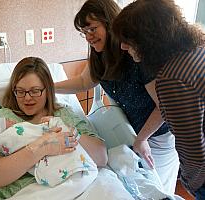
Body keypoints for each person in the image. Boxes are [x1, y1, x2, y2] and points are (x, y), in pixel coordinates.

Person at [55, 0, 179, 194]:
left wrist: (141, 139)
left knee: (159, 190)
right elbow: (82, 83)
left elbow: (164, 105)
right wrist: (48, 87)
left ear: (110, 23)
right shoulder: (99, 55)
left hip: (158, 135)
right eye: (84, 32)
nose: (88, 36)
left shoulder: (136, 54)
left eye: (92, 29)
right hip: (133, 131)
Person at [0, 57, 107, 199]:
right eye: (20, 91)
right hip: (28, 193)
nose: (27, 98)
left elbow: (101, 157)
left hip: (76, 186)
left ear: (48, 89)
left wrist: (69, 132)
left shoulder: (63, 114)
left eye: (35, 91)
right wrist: (44, 146)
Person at [111, 0, 205, 198]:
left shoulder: (173, 78)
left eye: (128, 40)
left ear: (149, 39)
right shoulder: (197, 50)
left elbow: (195, 151)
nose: (122, 46)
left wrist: (193, 187)